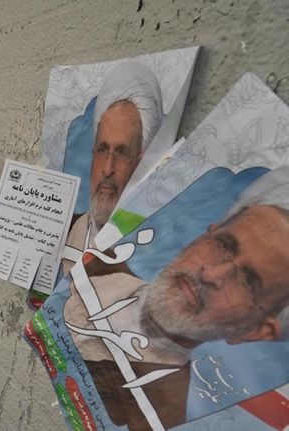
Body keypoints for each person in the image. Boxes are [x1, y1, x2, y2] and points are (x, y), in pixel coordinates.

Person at [63, 167, 289, 430]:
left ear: (257, 331)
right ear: (206, 233)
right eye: (224, 245)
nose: (212, 274)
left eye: (248, 281)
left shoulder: (152, 418)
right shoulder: (89, 250)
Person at [62, 63, 163, 273]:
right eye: (102, 150)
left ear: (142, 162)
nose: (108, 169)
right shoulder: (64, 230)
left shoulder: (150, 260)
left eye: (122, 153)